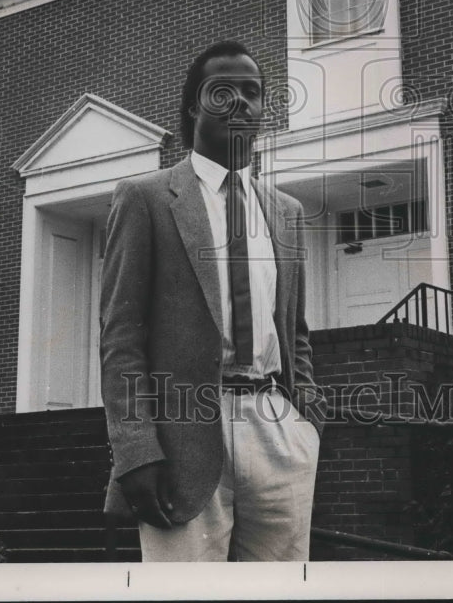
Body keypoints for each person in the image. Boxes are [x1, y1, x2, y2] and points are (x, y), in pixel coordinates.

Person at [99, 40, 326, 562]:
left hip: (277, 430)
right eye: (221, 91)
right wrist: (135, 450)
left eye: (252, 92)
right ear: (192, 107)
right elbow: (121, 338)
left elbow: (294, 333)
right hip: (183, 436)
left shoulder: (286, 212)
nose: (240, 103)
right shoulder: (146, 198)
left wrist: (307, 418)